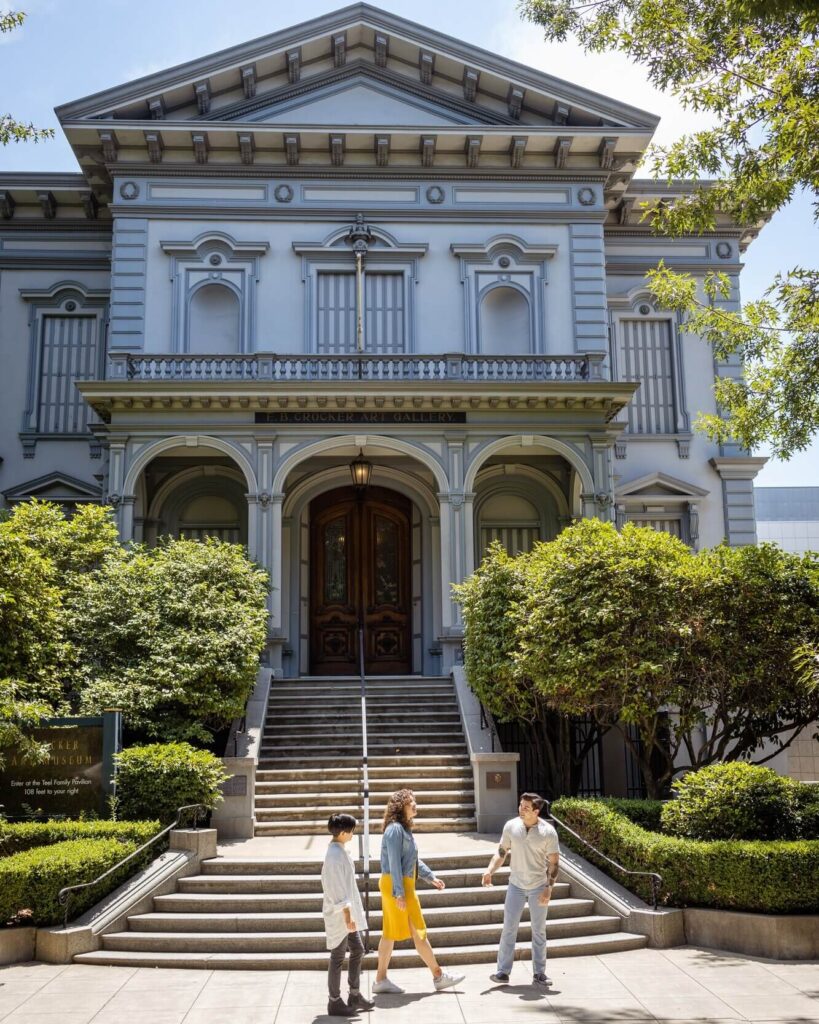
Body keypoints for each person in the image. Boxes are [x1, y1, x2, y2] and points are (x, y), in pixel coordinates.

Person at [373, 788, 465, 995]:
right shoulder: (395, 829)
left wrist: (430, 877)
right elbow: (394, 862)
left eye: (415, 801)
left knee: (396, 933)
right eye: (411, 802)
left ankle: (381, 979)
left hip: (400, 884)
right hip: (396, 885)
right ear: (400, 806)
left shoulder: (403, 830)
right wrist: (399, 893)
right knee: (414, 931)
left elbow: (411, 860)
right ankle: (438, 976)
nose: (415, 805)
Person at [481, 792, 560, 988]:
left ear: (536, 811)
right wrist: (490, 870)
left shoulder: (548, 832)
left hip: (538, 886)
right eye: (520, 806)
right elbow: (501, 852)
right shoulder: (511, 826)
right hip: (515, 885)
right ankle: (502, 972)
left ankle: (539, 973)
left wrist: (548, 889)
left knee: (538, 931)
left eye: (526, 808)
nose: (521, 810)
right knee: (509, 928)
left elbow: (554, 864)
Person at [321, 812, 376, 1018]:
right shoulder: (334, 857)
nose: (354, 834)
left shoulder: (339, 850)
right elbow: (336, 890)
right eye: (351, 831)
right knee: (337, 957)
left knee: (358, 950)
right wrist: (347, 916)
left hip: (346, 912)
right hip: (340, 915)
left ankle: (354, 994)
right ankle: (334, 1001)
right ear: (343, 833)